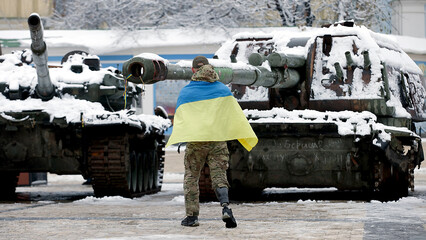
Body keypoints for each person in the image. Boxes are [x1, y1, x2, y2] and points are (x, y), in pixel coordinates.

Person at [166, 56, 258, 228]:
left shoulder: (187, 92)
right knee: (219, 177)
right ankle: (225, 208)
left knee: (192, 177)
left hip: (196, 142)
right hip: (217, 141)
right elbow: (234, 115)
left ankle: (192, 217)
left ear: (193, 70)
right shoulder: (222, 90)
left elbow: (181, 118)